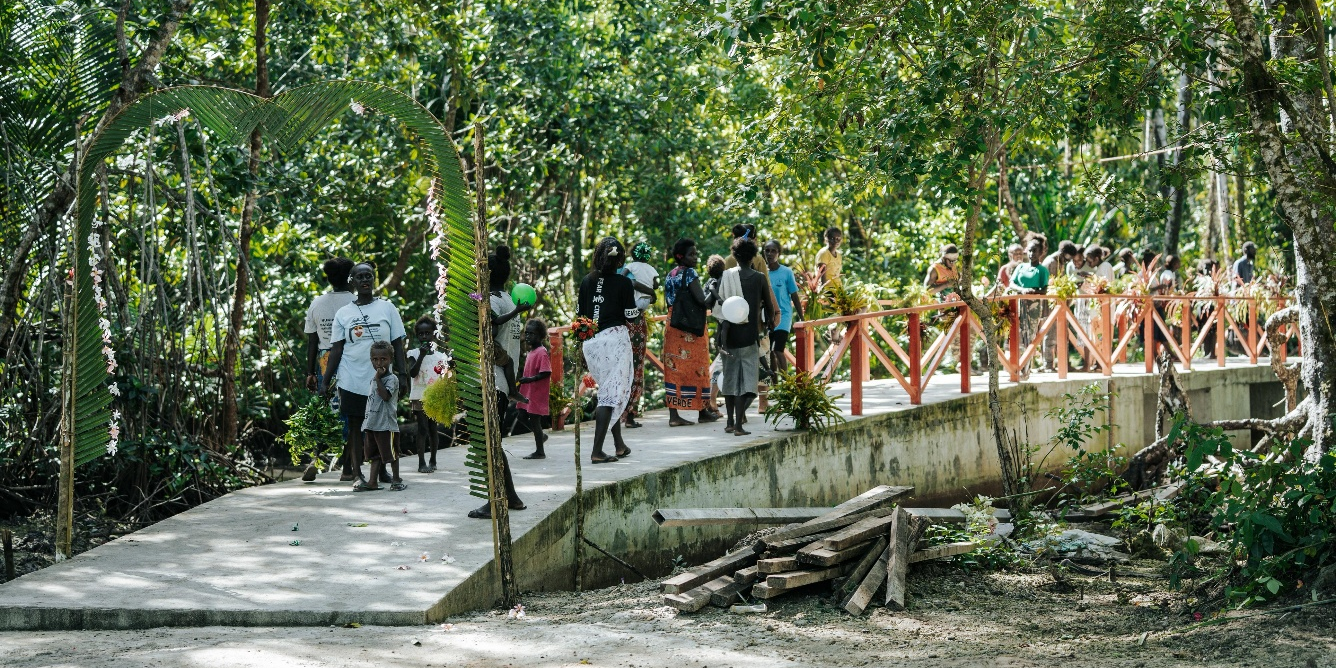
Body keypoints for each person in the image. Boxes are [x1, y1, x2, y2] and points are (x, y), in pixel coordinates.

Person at [322, 262, 408, 486]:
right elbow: (337, 349)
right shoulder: (344, 313)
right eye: (359, 277)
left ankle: (381, 472)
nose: (364, 280)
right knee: (355, 426)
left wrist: (404, 374)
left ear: (374, 279)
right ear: (352, 282)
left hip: (382, 380)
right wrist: (325, 380)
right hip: (352, 378)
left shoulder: (388, 308)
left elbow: (398, 344)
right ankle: (358, 473)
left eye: (368, 276)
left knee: (382, 426)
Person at [469, 246, 529, 519]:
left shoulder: (493, 302)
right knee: (494, 442)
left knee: (489, 444)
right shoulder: (506, 299)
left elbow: (489, 329)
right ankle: (512, 497)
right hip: (503, 383)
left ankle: (496, 501)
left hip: (493, 380)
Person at [578, 237, 640, 463]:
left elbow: (581, 317)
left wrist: (582, 349)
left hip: (591, 342)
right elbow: (631, 315)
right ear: (620, 260)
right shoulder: (623, 283)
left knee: (608, 390)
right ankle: (596, 451)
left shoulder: (586, 281)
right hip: (614, 341)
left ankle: (619, 445)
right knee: (609, 396)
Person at [301, 257, 355, 481]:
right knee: (351, 412)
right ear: (350, 277)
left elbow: (312, 342)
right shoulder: (356, 301)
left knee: (325, 411)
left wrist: (311, 373)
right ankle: (347, 467)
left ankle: (314, 460)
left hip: (325, 361)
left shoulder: (317, 303)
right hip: (352, 360)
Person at [717, 237, 777, 436]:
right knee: (747, 382)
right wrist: (769, 322)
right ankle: (739, 426)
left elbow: (720, 306)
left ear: (734, 256)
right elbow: (769, 307)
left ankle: (729, 422)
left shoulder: (726, 276)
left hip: (728, 337)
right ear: (753, 256)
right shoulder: (759, 278)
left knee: (730, 380)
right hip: (749, 336)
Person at [662, 238, 718, 427]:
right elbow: (703, 301)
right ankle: (702, 412)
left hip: (673, 325)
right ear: (681, 256)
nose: (695, 257)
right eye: (691, 254)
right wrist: (714, 288)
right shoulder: (690, 273)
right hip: (691, 330)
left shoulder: (670, 274)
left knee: (674, 369)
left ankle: (674, 415)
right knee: (699, 368)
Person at [355, 341, 406, 492]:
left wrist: (378, 379)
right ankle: (372, 482)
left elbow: (385, 396)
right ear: (371, 360)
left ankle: (396, 480)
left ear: (390, 359)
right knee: (374, 455)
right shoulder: (373, 379)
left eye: (383, 359)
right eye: (375, 359)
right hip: (372, 423)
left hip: (386, 424)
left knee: (392, 453)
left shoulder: (392, 379)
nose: (379, 363)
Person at [618, 242, 658, 429]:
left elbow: (627, 280)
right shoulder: (650, 269)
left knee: (625, 367)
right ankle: (629, 413)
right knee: (635, 366)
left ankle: (621, 412)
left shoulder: (629, 267)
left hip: (625, 319)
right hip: (637, 318)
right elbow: (650, 284)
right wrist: (651, 291)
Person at [406, 315, 447, 473]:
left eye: (427, 333)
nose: (424, 337)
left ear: (434, 334)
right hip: (419, 396)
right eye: (421, 334)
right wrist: (422, 355)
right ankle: (421, 462)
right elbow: (412, 373)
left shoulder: (440, 356)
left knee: (432, 428)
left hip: (434, 397)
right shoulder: (413, 354)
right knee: (422, 428)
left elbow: (443, 377)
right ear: (417, 335)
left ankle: (433, 460)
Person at [1008, 239, 1049, 377]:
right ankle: (1015, 368)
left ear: (1041, 252)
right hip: (1018, 303)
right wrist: (1022, 290)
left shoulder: (1042, 270)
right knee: (1017, 335)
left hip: (1034, 306)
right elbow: (1011, 283)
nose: (1031, 254)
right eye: (1030, 250)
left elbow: (1044, 289)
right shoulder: (1021, 267)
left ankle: (1025, 370)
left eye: (1035, 251)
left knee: (1029, 336)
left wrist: (1033, 291)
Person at [763, 240, 804, 372]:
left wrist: (802, 317)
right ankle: (775, 386)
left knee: (777, 350)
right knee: (769, 352)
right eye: (767, 250)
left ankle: (787, 385)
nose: (769, 254)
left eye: (773, 251)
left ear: (778, 253)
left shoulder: (786, 272)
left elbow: (794, 296)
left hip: (784, 316)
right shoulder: (762, 273)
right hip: (767, 318)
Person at [517, 319, 552, 459]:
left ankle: (540, 451)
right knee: (521, 415)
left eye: (532, 334)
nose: (528, 336)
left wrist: (529, 380)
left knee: (534, 420)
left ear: (541, 336)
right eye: (527, 333)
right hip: (528, 391)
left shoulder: (541, 352)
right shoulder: (531, 351)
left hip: (537, 393)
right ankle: (541, 436)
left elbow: (546, 372)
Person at [702, 254, 727, 420]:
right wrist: (719, 299)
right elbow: (712, 292)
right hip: (722, 320)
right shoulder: (715, 282)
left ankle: (711, 398)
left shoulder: (711, 280)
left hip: (718, 319)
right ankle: (711, 399)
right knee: (720, 359)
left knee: (721, 356)